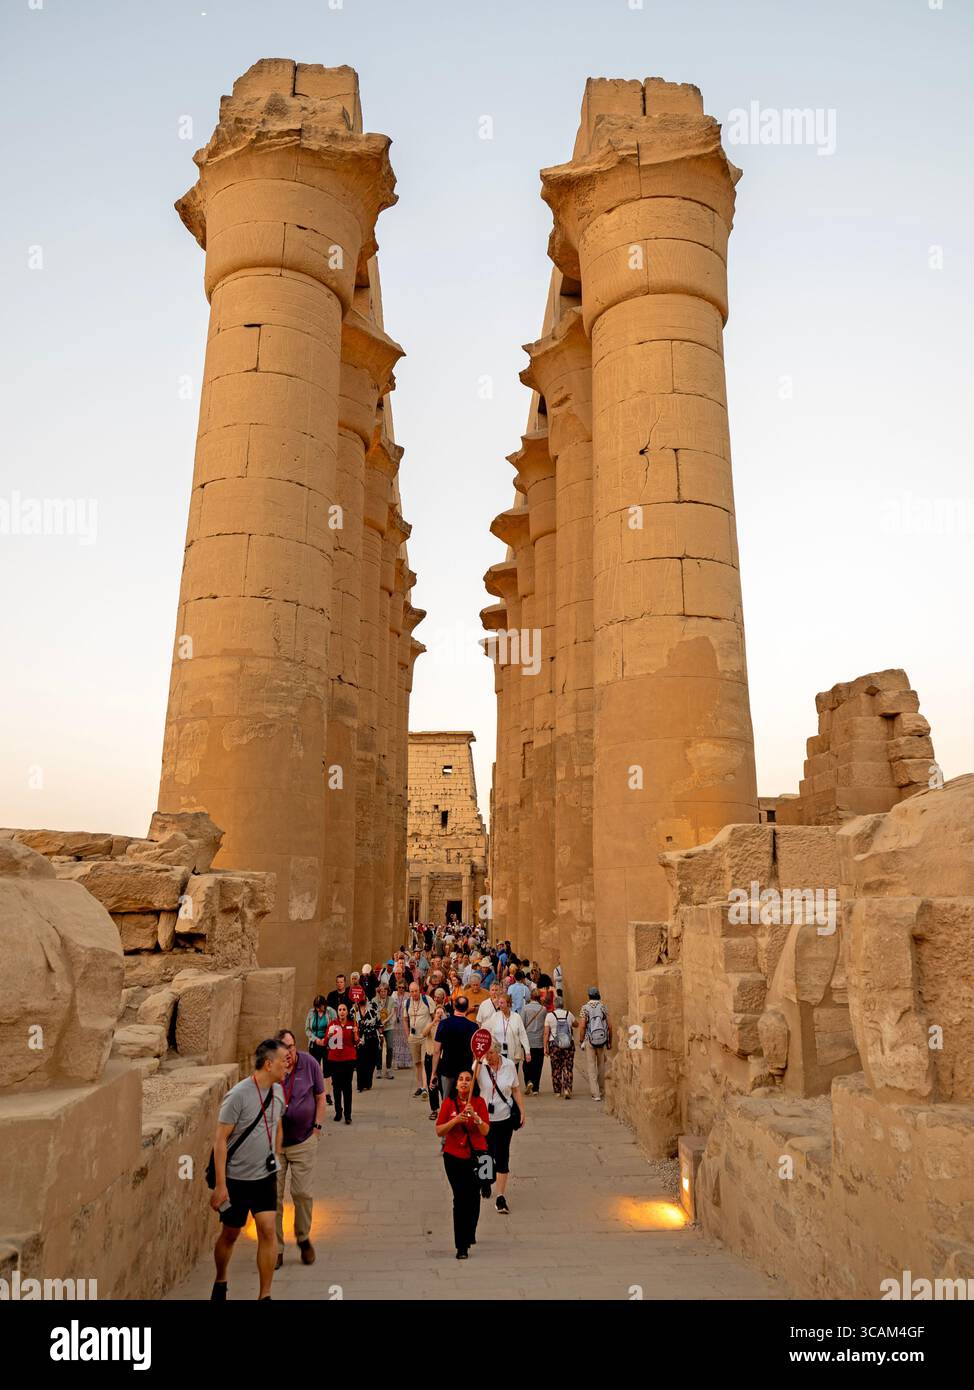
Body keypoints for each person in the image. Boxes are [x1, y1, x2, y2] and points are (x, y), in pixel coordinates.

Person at [209, 1038, 288, 1301]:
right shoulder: (238, 1095)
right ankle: (221, 1279)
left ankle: (265, 1295)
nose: (287, 1065)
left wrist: (275, 1155)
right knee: (230, 1234)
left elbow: (277, 1124)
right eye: (283, 1061)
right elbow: (220, 1141)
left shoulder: (277, 1091)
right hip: (236, 1179)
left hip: (264, 1177)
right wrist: (221, 1185)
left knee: (267, 1229)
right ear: (268, 1064)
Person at [274, 1029, 325, 1268]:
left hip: (304, 1140)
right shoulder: (272, 1067)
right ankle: (277, 1248)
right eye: (285, 1048)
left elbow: (320, 1096)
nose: (290, 1052)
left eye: (292, 1046)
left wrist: (317, 1128)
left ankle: (303, 1238)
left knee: (302, 1194)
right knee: (273, 1196)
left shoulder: (310, 1063)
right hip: (275, 1146)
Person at [435, 1068, 490, 1259]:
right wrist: (456, 1120)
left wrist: (475, 1116)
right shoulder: (449, 1103)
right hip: (453, 1156)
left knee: (474, 1198)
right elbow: (439, 1130)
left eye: (468, 1079)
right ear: (456, 1084)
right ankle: (461, 1246)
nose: (464, 1082)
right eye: (460, 1079)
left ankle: (471, 1231)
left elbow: (485, 1131)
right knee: (460, 1199)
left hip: (476, 1156)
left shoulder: (479, 1102)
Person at [476, 1044, 525, 1215]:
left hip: (504, 1119)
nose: (488, 1056)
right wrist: (477, 1059)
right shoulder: (480, 1065)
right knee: (485, 1154)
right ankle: (485, 1181)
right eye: (486, 1053)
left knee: (502, 1155)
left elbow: (516, 1090)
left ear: (498, 1052)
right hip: (484, 1120)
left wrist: (522, 1111)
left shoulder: (509, 1065)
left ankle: (500, 1197)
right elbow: (470, 1079)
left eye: (491, 1053)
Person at [430, 995, 477, 1102]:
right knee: (465, 1101)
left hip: (447, 1068)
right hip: (466, 1070)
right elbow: (475, 1054)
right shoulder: (473, 1027)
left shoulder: (443, 1024)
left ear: (454, 1007)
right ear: (467, 1008)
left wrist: (433, 1072)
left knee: (446, 1101)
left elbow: (437, 1051)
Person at [326, 1003, 359, 1124]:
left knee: (347, 1087)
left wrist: (356, 1033)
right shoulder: (332, 1025)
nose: (342, 1012)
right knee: (336, 1087)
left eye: (344, 1009)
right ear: (337, 1011)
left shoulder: (352, 1024)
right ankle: (338, 1111)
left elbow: (356, 1042)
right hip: (334, 1060)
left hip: (348, 1059)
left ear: (347, 1012)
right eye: (340, 1009)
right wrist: (329, 1036)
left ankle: (348, 1114)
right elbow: (326, 1042)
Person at [487, 988, 529, 1077]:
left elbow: (523, 1035)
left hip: (513, 1052)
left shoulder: (516, 1017)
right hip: (498, 1052)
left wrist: (527, 1051)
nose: (500, 1005)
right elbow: (489, 1033)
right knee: (500, 1076)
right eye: (499, 1003)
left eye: (502, 1003)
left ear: (508, 1004)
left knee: (512, 1077)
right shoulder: (495, 1016)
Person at [578, 987, 611, 1100]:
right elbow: (609, 1026)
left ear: (589, 996)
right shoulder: (603, 1007)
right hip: (602, 1040)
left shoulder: (585, 1008)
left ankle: (595, 1094)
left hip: (589, 1040)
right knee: (601, 1066)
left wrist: (581, 1040)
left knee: (591, 1066)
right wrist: (609, 1041)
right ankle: (602, 1090)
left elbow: (582, 1026)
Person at [405, 980, 435, 1097]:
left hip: (426, 1037)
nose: (414, 994)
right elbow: (404, 1019)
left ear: (420, 990)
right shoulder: (407, 1002)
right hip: (413, 1037)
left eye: (416, 991)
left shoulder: (428, 1000)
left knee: (423, 1062)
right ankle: (419, 1086)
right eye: (412, 992)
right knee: (417, 1063)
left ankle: (425, 1087)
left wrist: (432, 1032)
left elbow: (433, 1018)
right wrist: (408, 1034)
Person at [304, 995, 335, 1105]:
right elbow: (307, 1029)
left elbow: (335, 1026)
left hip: (327, 1044)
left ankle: (327, 1094)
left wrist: (326, 1039)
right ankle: (315, 1093)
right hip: (315, 1044)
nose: (318, 1009)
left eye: (320, 1007)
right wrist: (315, 1039)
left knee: (327, 1070)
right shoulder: (311, 1013)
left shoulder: (330, 1012)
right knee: (314, 1069)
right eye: (316, 1007)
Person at [544, 1000, 578, 1098]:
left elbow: (546, 1033)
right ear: (562, 1005)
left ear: (554, 1005)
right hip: (568, 1044)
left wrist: (545, 1047)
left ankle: (558, 1091)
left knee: (556, 1068)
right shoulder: (569, 1014)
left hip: (554, 1044)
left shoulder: (550, 1016)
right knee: (568, 1067)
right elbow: (576, 1024)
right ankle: (567, 1089)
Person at [424, 993, 448, 1119]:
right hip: (430, 1057)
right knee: (431, 1083)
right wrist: (434, 1021)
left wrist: (444, 1022)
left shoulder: (447, 1026)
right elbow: (424, 1033)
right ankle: (434, 1109)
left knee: (444, 1085)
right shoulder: (431, 1024)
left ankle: (445, 1108)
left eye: (441, 1013)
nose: (439, 1015)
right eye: (437, 1012)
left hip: (442, 1059)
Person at [353, 990, 381, 1092]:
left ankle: (368, 1082)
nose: (361, 998)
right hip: (360, 1039)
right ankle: (360, 1085)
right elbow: (352, 1022)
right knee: (360, 1063)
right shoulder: (354, 1009)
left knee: (371, 1062)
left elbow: (378, 1021)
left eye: (362, 996)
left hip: (372, 1037)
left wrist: (380, 1034)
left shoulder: (373, 1006)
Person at [521, 989, 547, 1095]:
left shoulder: (525, 1008)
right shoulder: (543, 1009)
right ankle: (536, 1088)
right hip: (539, 1040)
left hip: (528, 1039)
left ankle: (528, 1081)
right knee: (538, 1064)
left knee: (527, 1063)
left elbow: (522, 1024)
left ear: (531, 997)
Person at [390, 976, 412, 1070]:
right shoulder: (393, 995)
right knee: (395, 1042)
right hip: (395, 1020)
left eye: (403, 987)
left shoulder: (408, 995)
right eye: (399, 987)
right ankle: (396, 1063)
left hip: (404, 1020)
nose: (401, 989)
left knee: (405, 1041)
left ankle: (405, 1062)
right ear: (397, 987)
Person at [374, 982, 395, 1078]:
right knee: (379, 1048)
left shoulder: (391, 1000)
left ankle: (389, 1069)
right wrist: (379, 1023)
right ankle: (378, 1069)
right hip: (378, 1027)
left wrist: (385, 1021)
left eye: (385, 991)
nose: (383, 993)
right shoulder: (374, 1000)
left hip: (389, 1026)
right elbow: (373, 1013)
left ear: (388, 991)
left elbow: (393, 1012)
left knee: (390, 1047)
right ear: (378, 991)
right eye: (381, 991)